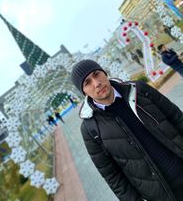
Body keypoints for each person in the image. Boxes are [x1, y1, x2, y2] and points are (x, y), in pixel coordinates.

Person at [71, 59, 183, 201]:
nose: (96, 83)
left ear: (104, 73)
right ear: (84, 92)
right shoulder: (90, 129)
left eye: (97, 74)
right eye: (87, 82)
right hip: (161, 195)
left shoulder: (139, 90)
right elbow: (112, 176)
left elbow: (176, 117)